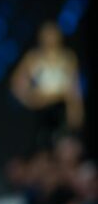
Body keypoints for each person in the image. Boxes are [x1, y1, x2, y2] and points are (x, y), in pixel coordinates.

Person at [10, 21, 84, 150]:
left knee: (63, 146)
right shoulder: (33, 58)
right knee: (42, 147)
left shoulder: (67, 58)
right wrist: (30, 99)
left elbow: (74, 89)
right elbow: (17, 84)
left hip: (61, 108)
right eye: (47, 35)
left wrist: (76, 111)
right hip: (41, 110)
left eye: (53, 34)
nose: (51, 39)